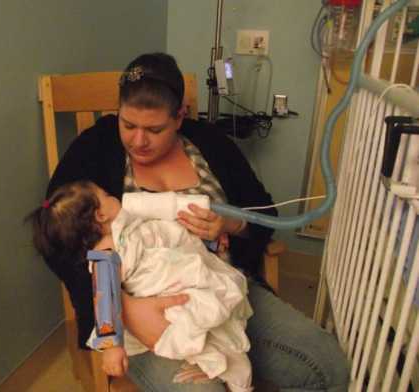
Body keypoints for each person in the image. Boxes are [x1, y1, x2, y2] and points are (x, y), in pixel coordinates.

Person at [44, 52, 349, 391]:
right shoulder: (95, 148)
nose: (138, 141)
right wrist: (125, 309)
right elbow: (56, 236)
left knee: (327, 363)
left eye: (155, 129)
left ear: (179, 117)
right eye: (127, 125)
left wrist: (231, 224)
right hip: (149, 318)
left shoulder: (211, 143)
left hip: (224, 289)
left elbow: (265, 216)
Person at [29, 180, 254, 391]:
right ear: (101, 214)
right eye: (106, 195)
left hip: (185, 279)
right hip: (170, 299)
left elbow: (169, 237)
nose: (113, 196)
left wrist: (209, 241)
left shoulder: (129, 228)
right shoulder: (105, 253)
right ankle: (225, 370)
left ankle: (229, 370)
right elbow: (105, 298)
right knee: (208, 334)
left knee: (221, 331)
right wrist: (112, 347)